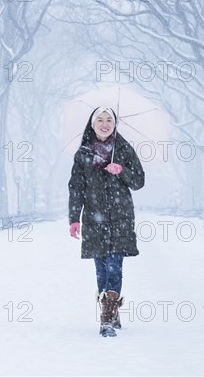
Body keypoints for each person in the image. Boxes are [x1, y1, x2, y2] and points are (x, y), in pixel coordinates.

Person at [68, 105, 145, 337]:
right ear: (92, 125)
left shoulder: (123, 149)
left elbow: (139, 181)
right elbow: (76, 188)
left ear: (114, 124)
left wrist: (120, 170)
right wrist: (74, 219)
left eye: (109, 120)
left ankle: (107, 320)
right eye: (100, 120)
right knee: (101, 269)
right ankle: (111, 310)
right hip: (93, 218)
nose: (104, 123)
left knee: (115, 266)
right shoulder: (83, 154)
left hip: (120, 217)